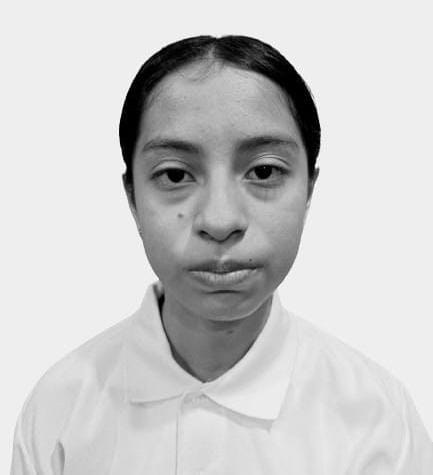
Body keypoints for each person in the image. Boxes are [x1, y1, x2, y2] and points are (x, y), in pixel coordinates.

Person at [11, 35, 433, 474]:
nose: (219, 219)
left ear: (309, 190)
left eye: (264, 171)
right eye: (175, 175)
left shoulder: (377, 420)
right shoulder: (60, 410)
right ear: (132, 197)